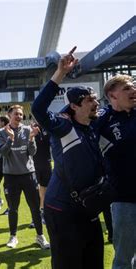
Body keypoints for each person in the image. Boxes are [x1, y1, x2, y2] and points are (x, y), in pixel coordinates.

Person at [31, 47, 104, 268]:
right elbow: (38, 109)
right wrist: (60, 72)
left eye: (96, 98)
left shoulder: (94, 125)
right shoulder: (63, 126)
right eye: (90, 100)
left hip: (88, 208)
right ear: (74, 106)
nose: (96, 103)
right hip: (62, 210)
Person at [93, 74, 136, 268]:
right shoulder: (103, 118)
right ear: (112, 95)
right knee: (123, 259)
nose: (133, 91)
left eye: (133, 86)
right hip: (124, 198)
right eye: (127, 88)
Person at [0, 105, 49, 249]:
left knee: (35, 207)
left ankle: (40, 236)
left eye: (21, 114)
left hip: (28, 175)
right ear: (9, 115)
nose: (19, 116)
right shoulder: (2, 132)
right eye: (16, 114)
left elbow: (32, 152)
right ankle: (13, 237)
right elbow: (3, 152)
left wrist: (32, 138)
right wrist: (11, 139)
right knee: (13, 208)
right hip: (11, 176)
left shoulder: (28, 130)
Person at [31, 122, 52, 224]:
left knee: (45, 190)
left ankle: (43, 213)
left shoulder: (48, 128)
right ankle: (35, 217)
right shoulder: (31, 129)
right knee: (35, 190)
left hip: (46, 164)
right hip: (34, 165)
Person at [0, 116, 9, 212]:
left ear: (3, 122)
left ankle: (9, 207)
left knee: (7, 187)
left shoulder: (8, 132)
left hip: (7, 163)